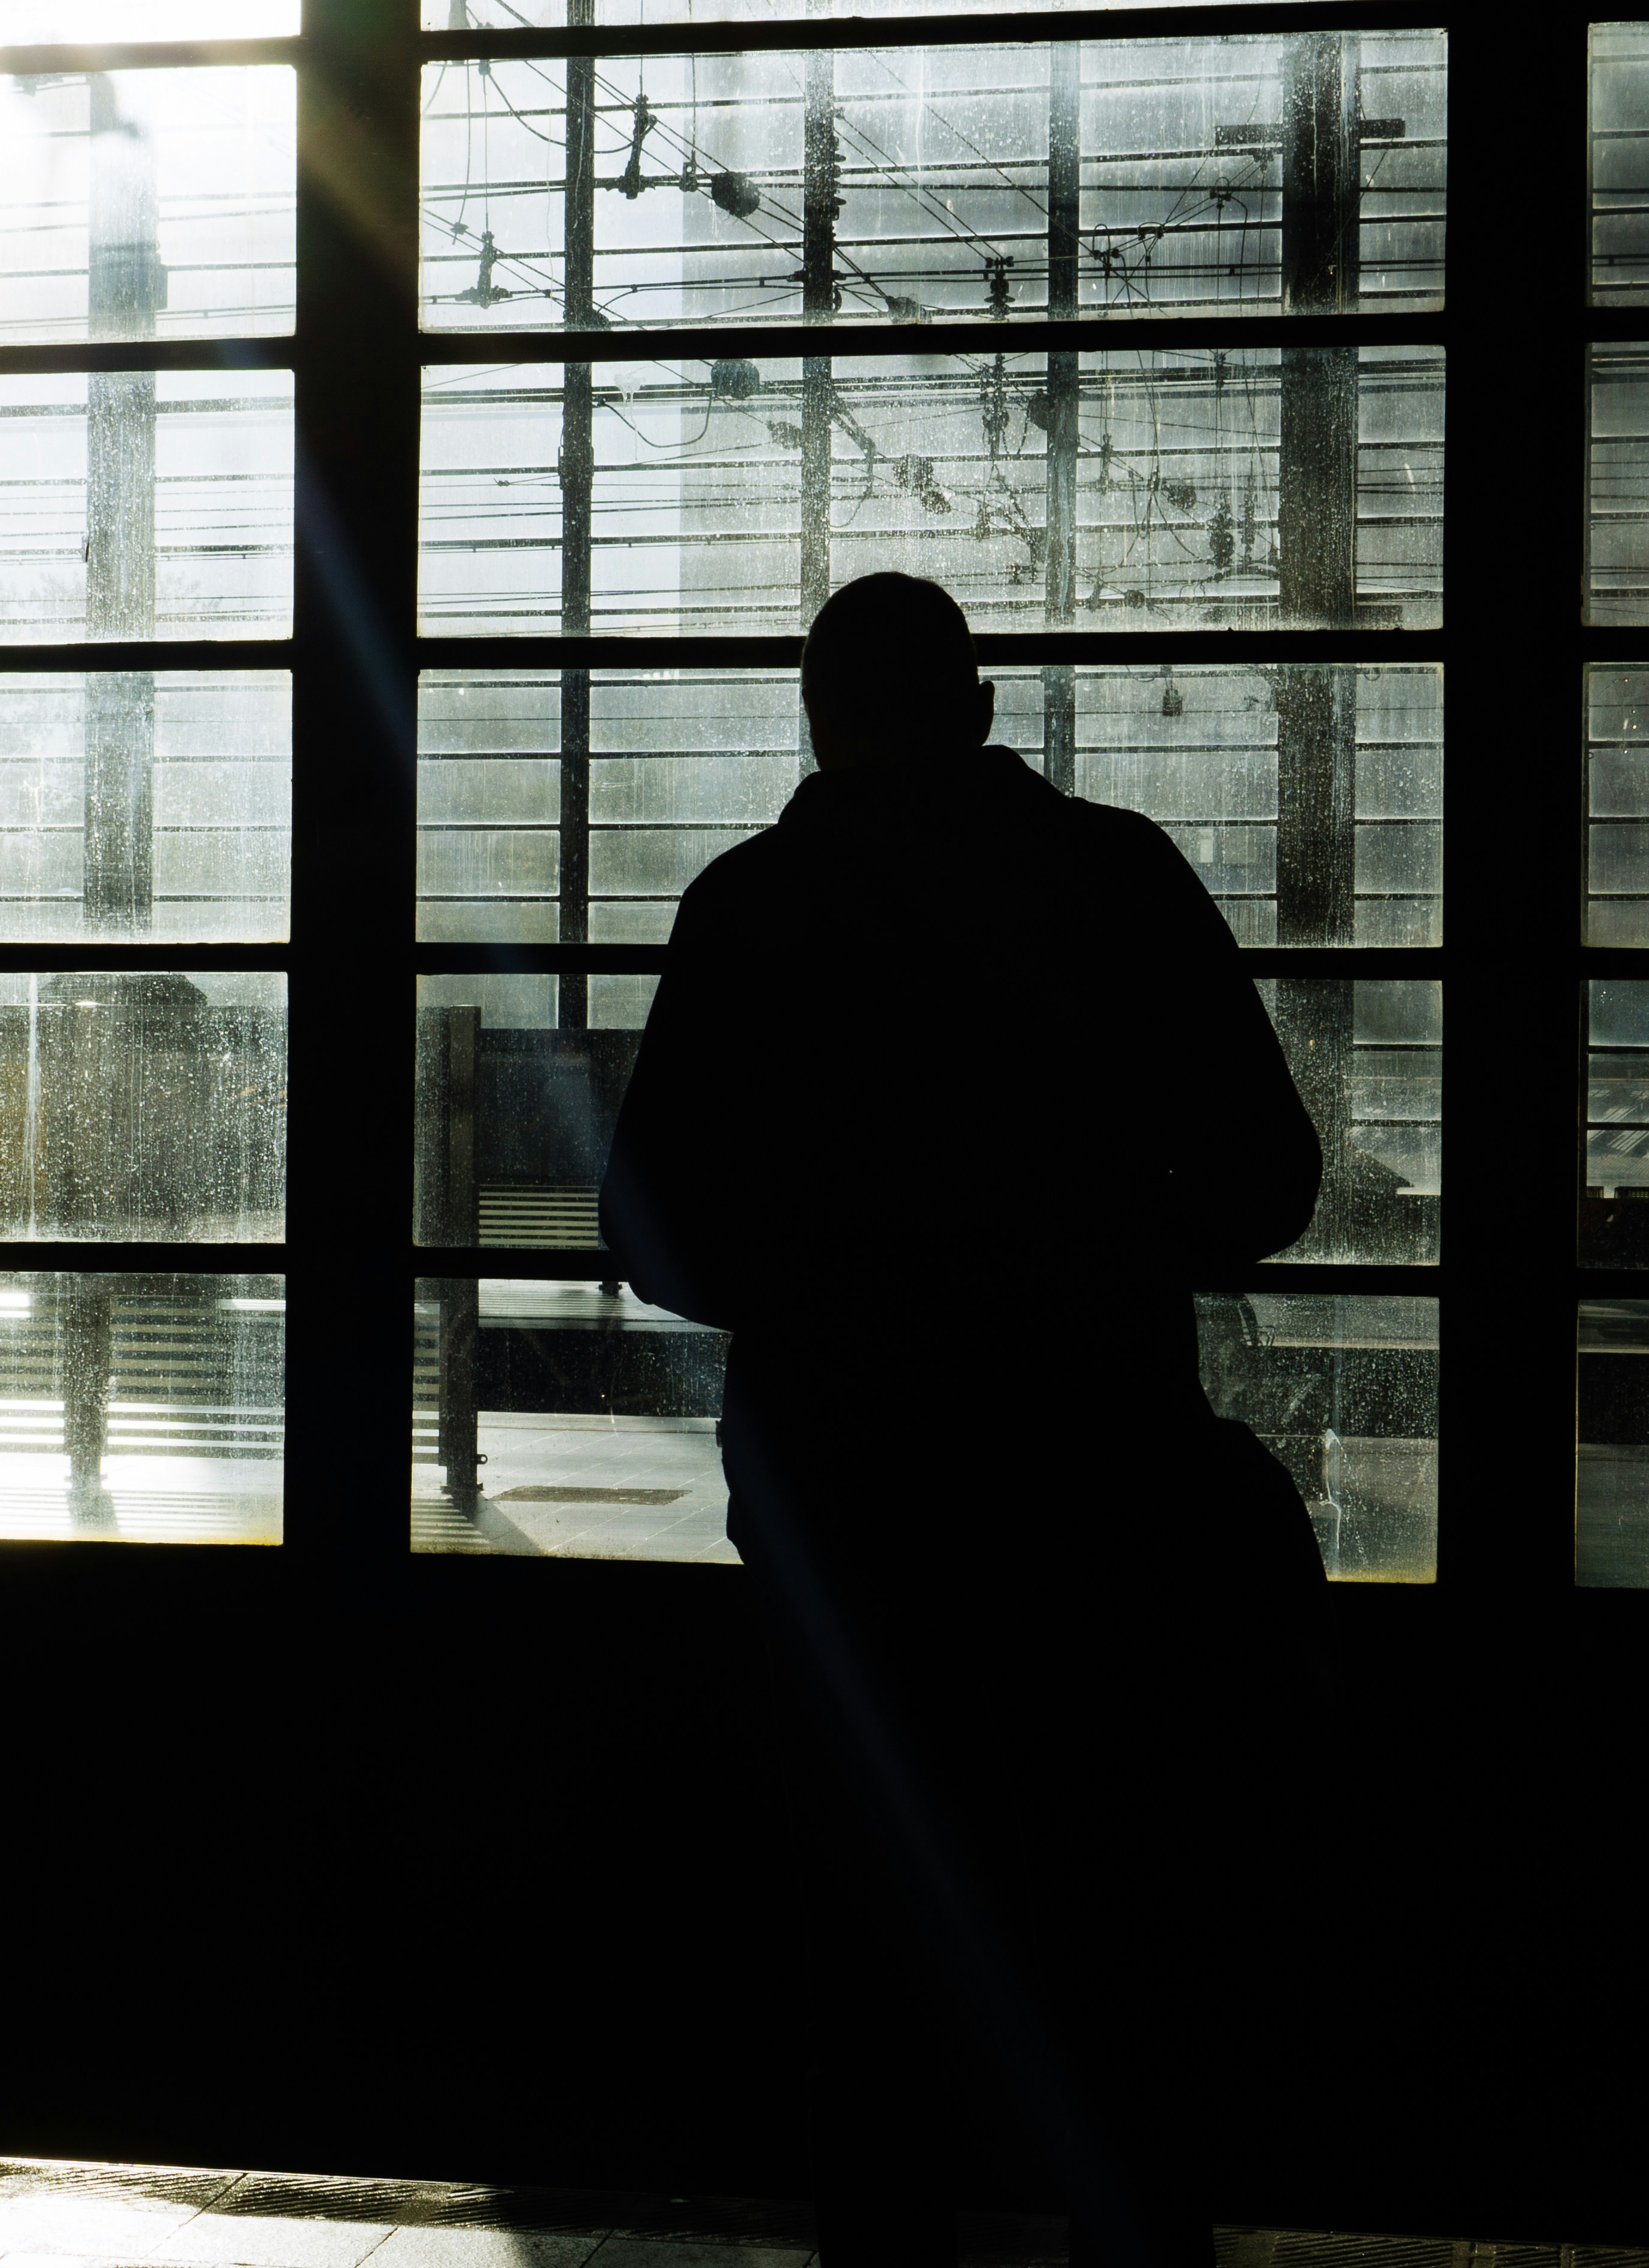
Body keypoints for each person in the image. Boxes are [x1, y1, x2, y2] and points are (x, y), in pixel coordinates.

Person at [602, 573, 1325, 2268]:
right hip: (1102, 1502)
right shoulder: (1119, 882)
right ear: (984, 703)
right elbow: (1265, 1180)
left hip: (843, 1513)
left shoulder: (756, 908)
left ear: (818, 715)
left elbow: (653, 1229)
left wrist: (827, 1285)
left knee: (867, 1962)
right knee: (1116, 1937)